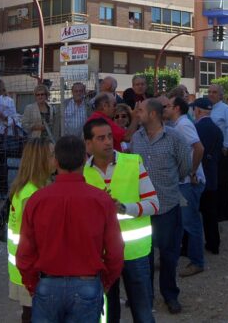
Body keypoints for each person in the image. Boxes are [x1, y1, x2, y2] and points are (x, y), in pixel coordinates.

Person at [16, 135, 123, 322]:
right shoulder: (101, 200)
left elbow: (24, 251)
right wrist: (104, 283)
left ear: (55, 161)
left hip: (48, 284)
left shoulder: (37, 200)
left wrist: (33, 284)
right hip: (87, 284)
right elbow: (115, 250)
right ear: (84, 159)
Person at [83, 120, 158, 323]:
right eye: (101, 138)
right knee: (106, 315)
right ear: (88, 144)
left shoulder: (133, 162)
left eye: (109, 136)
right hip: (101, 256)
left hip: (135, 253)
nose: (108, 141)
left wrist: (124, 208)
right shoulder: (82, 175)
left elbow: (154, 203)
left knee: (143, 313)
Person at [130, 97, 191, 314]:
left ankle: (170, 295)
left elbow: (185, 166)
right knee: (143, 255)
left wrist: (169, 183)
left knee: (168, 255)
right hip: (143, 209)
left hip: (167, 206)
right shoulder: (136, 138)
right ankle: (145, 295)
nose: (136, 114)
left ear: (153, 114)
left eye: (140, 111)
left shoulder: (174, 137)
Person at [7, 139, 56, 323]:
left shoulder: (32, 188)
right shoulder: (32, 195)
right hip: (31, 270)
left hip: (26, 268)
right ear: (40, 160)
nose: (56, 159)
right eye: (51, 155)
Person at [166, 97, 206, 278]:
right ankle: (174, 258)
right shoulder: (177, 124)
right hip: (183, 183)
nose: (164, 108)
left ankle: (197, 262)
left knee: (191, 223)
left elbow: (199, 148)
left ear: (176, 108)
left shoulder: (183, 125)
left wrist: (192, 172)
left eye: (167, 106)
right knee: (180, 223)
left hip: (189, 183)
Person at [192, 98, 223, 255]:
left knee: (195, 212)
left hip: (199, 174)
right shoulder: (217, 129)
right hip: (212, 173)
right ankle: (213, 243)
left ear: (197, 110)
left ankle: (193, 246)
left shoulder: (196, 128)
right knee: (211, 213)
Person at [207, 85, 228, 222]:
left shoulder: (226, 110)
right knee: (214, 181)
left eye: (214, 92)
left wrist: (227, 146)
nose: (211, 94)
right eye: (209, 92)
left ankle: (226, 212)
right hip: (211, 151)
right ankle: (215, 210)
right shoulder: (208, 109)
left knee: (223, 182)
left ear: (221, 95)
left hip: (223, 150)